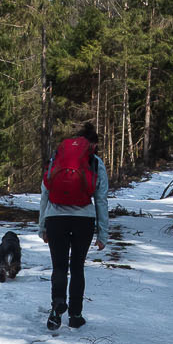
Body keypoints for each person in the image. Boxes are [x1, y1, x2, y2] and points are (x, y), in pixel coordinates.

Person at [37, 122, 108, 329]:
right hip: (84, 219)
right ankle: (75, 315)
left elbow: (45, 194)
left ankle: (56, 307)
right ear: (93, 145)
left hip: (55, 218)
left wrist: (42, 226)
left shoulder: (56, 159)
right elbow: (101, 199)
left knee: (59, 266)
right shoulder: (96, 162)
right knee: (77, 267)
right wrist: (103, 233)